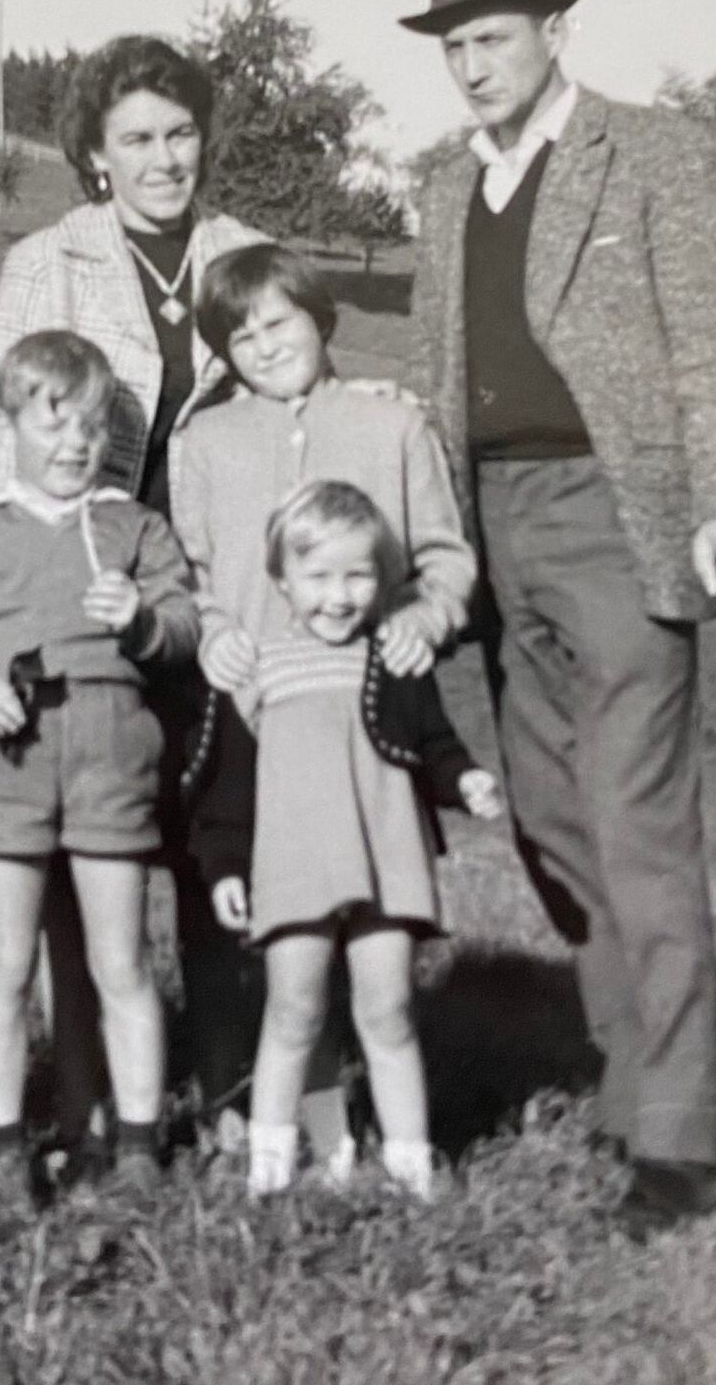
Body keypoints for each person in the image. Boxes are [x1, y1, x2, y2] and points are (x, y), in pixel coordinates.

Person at [403, 0, 716, 1236]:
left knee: (636, 823)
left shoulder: (652, 153)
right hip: (492, 525)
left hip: (615, 515)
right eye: (453, 45)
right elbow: (437, 371)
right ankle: (632, 1084)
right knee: (550, 821)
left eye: (492, 37)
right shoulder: (444, 183)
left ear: (553, 31)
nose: (471, 65)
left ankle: (677, 1143)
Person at [0, 35, 262, 1163]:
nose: (162, 159)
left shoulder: (242, 254)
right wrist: (37, 599)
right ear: (95, 154)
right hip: (89, 585)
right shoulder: (47, 261)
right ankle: (84, 1100)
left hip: (211, 586)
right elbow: (3, 434)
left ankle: (228, 1088)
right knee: (79, 851)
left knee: (212, 835)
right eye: (136, 138)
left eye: (180, 133)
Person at [171, 241, 477, 1163]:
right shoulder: (206, 442)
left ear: (320, 316)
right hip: (260, 720)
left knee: (372, 926)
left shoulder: (392, 424)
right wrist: (212, 631)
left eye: (280, 322)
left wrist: (426, 615)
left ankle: (382, 1131)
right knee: (288, 946)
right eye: (241, 336)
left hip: (364, 722)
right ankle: (307, 1126)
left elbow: (445, 555)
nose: (265, 345)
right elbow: (192, 573)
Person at [0, 331, 200, 1209]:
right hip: (10, 753)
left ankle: (137, 1147)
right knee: (5, 961)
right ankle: (2, 1150)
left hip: (110, 744)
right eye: (52, 425)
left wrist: (141, 622)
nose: (74, 445)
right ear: (8, 425)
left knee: (122, 958)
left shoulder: (134, 526)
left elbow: (184, 627)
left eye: (91, 428)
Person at [237, 483, 500, 1202]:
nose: (339, 596)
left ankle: (411, 1168)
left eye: (358, 576)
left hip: (387, 858)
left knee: (388, 1010)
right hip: (295, 866)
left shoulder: (395, 658)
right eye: (318, 577)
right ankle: (269, 1169)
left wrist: (466, 779)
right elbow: (230, 787)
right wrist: (226, 864)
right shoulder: (260, 666)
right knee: (293, 1010)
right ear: (282, 580)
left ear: (382, 579)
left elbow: (434, 742)